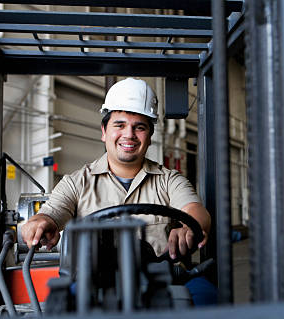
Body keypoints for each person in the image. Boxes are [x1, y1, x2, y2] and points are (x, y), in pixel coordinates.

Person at [21, 77, 215, 305]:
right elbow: (52, 213)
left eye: (139, 127)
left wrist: (189, 227)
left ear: (150, 136)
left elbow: (196, 211)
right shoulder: (76, 183)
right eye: (120, 125)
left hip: (164, 280)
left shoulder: (169, 180)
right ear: (104, 131)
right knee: (65, 303)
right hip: (95, 282)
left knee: (209, 297)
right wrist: (41, 222)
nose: (129, 134)